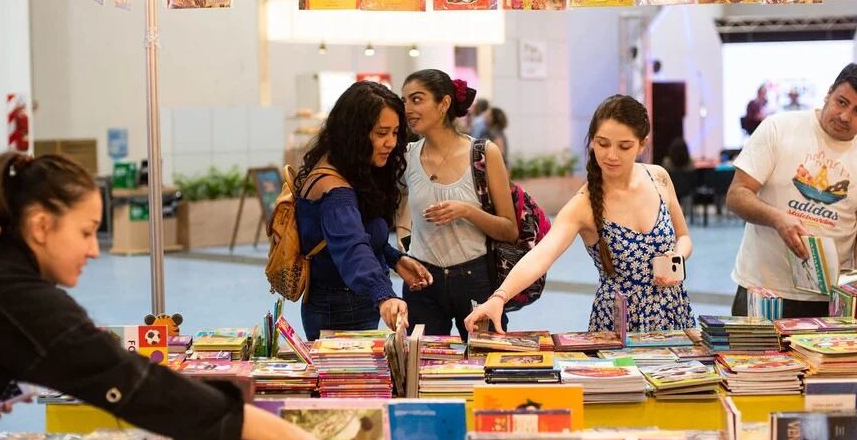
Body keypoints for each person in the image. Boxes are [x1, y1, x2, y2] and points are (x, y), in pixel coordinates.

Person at [0, 152, 334, 440]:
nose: (94, 249)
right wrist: (275, 431)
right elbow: (126, 379)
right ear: (41, 227)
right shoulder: (15, 292)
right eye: (86, 232)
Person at [464, 95, 694, 334]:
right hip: (619, 323)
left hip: (673, 310)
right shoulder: (584, 204)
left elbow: (684, 237)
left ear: (642, 144)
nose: (611, 155)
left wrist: (676, 257)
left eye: (624, 146)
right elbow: (543, 254)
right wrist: (499, 297)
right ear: (592, 141)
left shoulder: (658, 178)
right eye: (602, 144)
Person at [727, 63, 857, 318]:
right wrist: (777, 219)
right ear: (828, 93)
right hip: (762, 288)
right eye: (841, 102)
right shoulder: (778, 128)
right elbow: (738, 194)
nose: (845, 116)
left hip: (830, 295)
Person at [294, 81, 432, 340]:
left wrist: (394, 258)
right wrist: (384, 294)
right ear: (354, 132)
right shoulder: (335, 190)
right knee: (348, 380)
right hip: (341, 307)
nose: (390, 143)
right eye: (381, 133)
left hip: (346, 301)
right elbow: (351, 247)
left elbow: (361, 233)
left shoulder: (346, 166)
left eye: (395, 132)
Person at [399, 70, 518, 339]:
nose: (408, 109)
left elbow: (509, 229)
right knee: (424, 370)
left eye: (417, 100)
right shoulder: (406, 155)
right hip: (422, 280)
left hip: (475, 278)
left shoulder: (484, 153)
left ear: (444, 104)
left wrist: (466, 211)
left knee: (484, 366)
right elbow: (402, 207)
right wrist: (405, 242)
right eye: (404, 101)